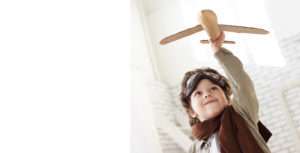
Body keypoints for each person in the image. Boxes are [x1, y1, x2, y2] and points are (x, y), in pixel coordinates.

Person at [179, 31, 272, 153]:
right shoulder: (194, 149)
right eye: (198, 93)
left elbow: (242, 85)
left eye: (213, 88)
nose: (207, 94)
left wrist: (218, 52)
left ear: (227, 98)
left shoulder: (242, 114)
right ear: (191, 111)